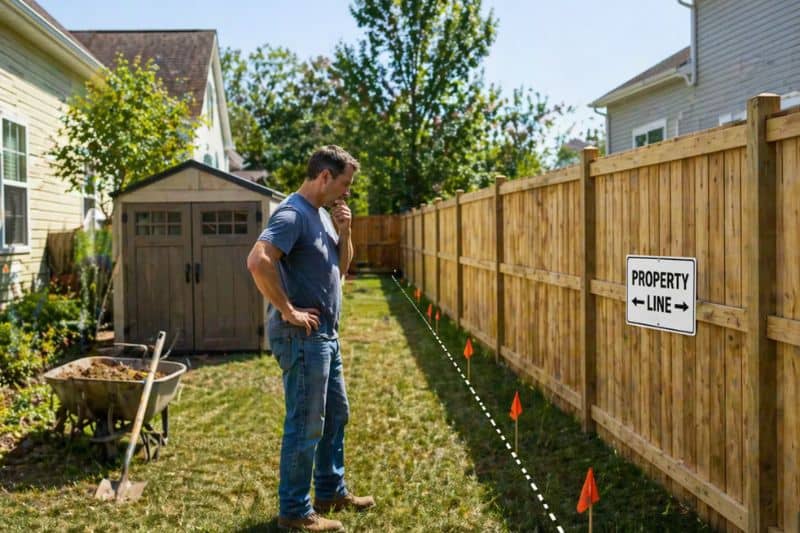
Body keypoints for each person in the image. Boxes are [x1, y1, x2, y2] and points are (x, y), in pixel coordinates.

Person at [247, 145, 375, 532]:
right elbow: (258, 260)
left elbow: (342, 266)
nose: (347, 192)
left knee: (336, 415)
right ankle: (295, 511)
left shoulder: (320, 215)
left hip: (325, 337)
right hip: (301, 337)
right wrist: (288, 310)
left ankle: (330, 490)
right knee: (306, 423)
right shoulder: (292, 213)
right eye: (345, 184)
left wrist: (346, 229)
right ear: (324, 177)